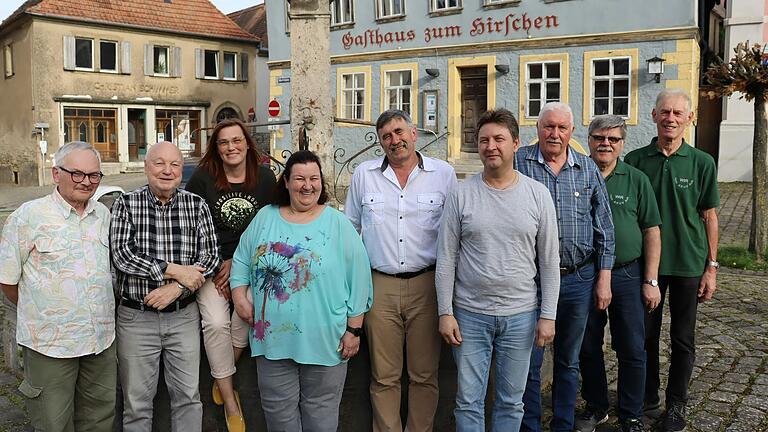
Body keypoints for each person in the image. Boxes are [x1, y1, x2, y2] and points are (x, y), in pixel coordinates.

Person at [231, 150, 373, 431]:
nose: (307, 185)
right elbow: (241, 259)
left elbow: (360, 279)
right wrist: (238, 295)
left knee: (321, 417)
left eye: (314, 178)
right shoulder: (265, 217)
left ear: (321, 182)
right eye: (299, 178)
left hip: (326, 340)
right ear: (286, 182)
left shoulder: (338, 223)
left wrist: (354, 330)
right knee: (278, 417)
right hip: (272, 341)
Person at [436, 108, 560, 431]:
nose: (491, 146)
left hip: (520, 315)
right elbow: (446, 257)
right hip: (469, 315)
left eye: (499, 139)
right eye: (483, 140)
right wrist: (445, 312)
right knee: (468, 401)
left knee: (511, 401)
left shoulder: (537, 195)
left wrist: (548, 315)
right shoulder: (461, 194)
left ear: (516, 144)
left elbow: (548, 261)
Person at [345, 109, 457, 432]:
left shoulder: (444, 174)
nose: (395, 140)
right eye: (387, 136)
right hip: (379, 286)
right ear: (380, 143)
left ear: (414, 132)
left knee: (424, 374)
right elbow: (350, 232)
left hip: (427, 284)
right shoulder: (363, 175)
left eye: (399, 132)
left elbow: (454, 234)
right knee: (384, 375)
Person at [0, 141, 116, 432]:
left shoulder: (103, 215)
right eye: (76, 174)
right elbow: (7, 281)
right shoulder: (28, 217)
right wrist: (43, 313)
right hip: (50, 345)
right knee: (53, 423)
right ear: (56, 174)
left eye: (93, 175)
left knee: (99, 419)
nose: (86, 182)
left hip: (99, 340)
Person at [517, 102, 616, 432]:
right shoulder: (519, 163)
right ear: (538, 129)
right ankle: (529, 425)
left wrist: (604, 279)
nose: (555, 134)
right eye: (548, 127)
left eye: (562, 128)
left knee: (568, 360)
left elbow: (605, 227)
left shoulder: (587, 169)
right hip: (531, 282)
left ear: (572, 133)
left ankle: (562, 423)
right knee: (529, 362)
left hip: (577, 279)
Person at [624, 89, 719, 432]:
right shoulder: (635, 160)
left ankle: (676, 404)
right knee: (643, 337)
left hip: (687, 265)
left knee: (682, 339)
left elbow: (709, 216)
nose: (671, 118)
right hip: (644, 267)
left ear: (689, 119)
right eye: (665, 112)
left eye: (679, 113)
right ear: (653, 115)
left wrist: (712, 267)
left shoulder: (702, 162)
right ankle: (646, 396)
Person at [110, 141, 221, 432]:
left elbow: (210, 257)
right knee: (136, 404)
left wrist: (178, 289)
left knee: (188, 397)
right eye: (159, 163)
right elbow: (122, 255)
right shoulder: (126, 203)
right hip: (136, 319)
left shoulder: (196, 205)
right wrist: (174, 271)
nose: (167, 171)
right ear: (146, 167)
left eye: (174, 164)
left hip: (183, 317)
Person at [185, 118, 276, 432]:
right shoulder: (202, 179)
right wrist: (219, 262)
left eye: (236, 141)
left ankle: (221, 375)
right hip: (211, 265)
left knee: (247, 314)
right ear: (216, 148)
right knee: (214, 322)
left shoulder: (264, 178)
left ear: (247, 144)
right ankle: (230, 399)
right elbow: (192, 229)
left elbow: (271, 229)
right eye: (223, 142)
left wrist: (239, 263)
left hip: (250, 265)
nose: (231, 147)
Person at [576, 115, 662, 432]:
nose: (606, 144)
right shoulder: (577, 175)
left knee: (631, 346)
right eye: (600, 137)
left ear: (622, 144)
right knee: (587, 344)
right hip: (585, 274)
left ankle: (631, 413)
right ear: (590, 139)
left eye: (613, 140)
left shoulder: (636, 179)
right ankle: (597, 406)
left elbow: (652, 231)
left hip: (627, 274)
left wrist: (651, 280)